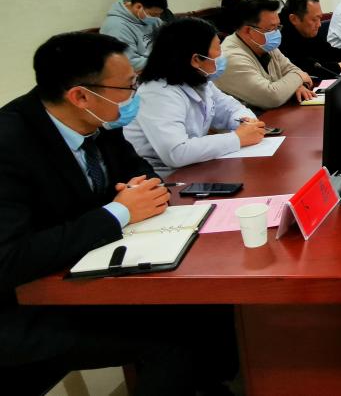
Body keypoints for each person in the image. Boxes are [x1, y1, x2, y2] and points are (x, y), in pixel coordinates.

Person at [0, 32, 237, 394]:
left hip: (90, 269)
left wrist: (140, 193)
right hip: (25, 306)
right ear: (81, 95)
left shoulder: (99, 119)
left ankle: (214, 383)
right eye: (128, 86)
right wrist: (117, 212)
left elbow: (143, 173)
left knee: (211, 304)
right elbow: (9, 258)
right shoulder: (11, 144)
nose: (135, 95)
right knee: (172, 341)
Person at [125, 18, 265, 177]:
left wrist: (246, 123)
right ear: (196, 59)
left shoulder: (199, 81)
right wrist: (237, 138)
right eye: (218, 49)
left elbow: (230, 108)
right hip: (163, 177)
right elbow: (176, 152)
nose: (222, 55)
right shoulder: (157, 93)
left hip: (194, 168)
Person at [214, 0, 316, 110]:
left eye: (278, 27)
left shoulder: (265, 45)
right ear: (248, 30)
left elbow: (292, 70)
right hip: (247, 119)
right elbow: (271, 97)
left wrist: (298, 86)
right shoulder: (230, 57)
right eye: (271, 28)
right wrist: (299, 78)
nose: (276, 33)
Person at [99, 0, 166, 71]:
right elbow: (129, 63)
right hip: (139, 71)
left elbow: (169, 33)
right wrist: (164, 60)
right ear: (138, 7)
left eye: (159, 14)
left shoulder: (150, 18)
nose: (157, 18)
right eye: (154, 14)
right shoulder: (117, 27)